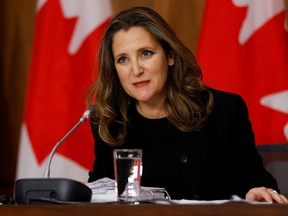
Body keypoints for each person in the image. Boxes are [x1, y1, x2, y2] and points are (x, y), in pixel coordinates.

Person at [86, 6, 288, 203]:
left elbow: (257, 181)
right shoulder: (109, 122)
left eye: (146, 53)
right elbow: (99, 192)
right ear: (114, 69)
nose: (136, 70)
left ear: (170, 56)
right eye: (123, 59)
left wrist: (257, 191)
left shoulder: (223, 110)